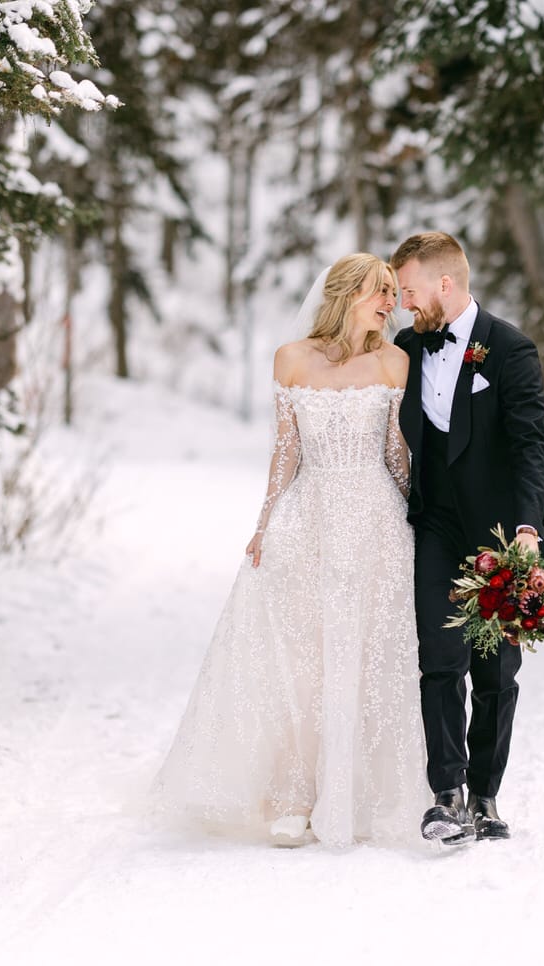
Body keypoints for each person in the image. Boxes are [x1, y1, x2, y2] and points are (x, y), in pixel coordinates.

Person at [152, 252, 426, 848]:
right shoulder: (291, 359)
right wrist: (265, 520)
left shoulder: (395, 361)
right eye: (380, 292)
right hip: (309, 518)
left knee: (368, 655)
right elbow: (285, 450)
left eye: (391, 293)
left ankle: (352, 792)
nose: (391, 303)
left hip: (375, 520)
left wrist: (419, 520)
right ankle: (293, 794)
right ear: (348, 293)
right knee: (300, 662)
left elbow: (396, 453)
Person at [391, 232, 544, 844]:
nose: (404, 303)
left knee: (495, 673)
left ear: (445, 283)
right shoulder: (405, 347)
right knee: (439, 659)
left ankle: (487, 795)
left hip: (500, 530)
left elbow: (529, 447)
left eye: (409, 290)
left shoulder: (510, 348)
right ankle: (447, 795)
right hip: (435, 522)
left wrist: (524, 530)